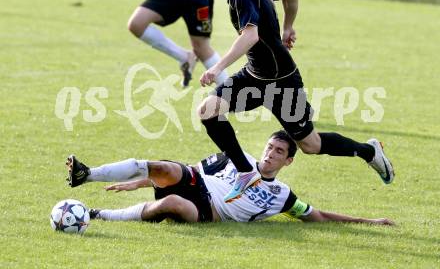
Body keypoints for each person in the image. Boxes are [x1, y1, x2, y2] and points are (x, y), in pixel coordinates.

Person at [193, 0, 395, 202]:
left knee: (311, 145)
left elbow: (251, 35)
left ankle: (370, 151)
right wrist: (288, 27)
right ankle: (245, 171)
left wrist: (218, 67)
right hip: (254, 77)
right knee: (208, 110)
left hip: (281, 82)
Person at [66, 130, 393, 225]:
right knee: (164, 166)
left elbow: (316, 215)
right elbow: (191, 171)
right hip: (197, 181)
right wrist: (141, 180)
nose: (269, 154)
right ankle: (88, 173)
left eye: (278, 152)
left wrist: (368, 221)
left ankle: (100, 215)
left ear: (289, 161)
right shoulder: (239, 160)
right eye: (269, 147)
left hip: (209, 212)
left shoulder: (281, 195)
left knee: (174, 203)